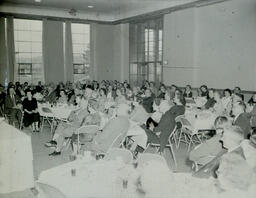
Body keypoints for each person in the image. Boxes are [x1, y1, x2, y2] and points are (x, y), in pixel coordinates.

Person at [143, 89, 185, 153]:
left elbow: (157, 129)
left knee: (143, 126)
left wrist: (150, 126)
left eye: (175, 97)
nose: (173, 98)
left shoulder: (168, 115)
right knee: (146, 122)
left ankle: (139, 149)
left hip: (159, 135)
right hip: (166, 130)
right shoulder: (181, 108)